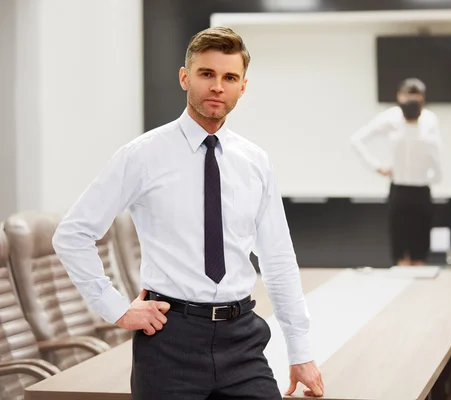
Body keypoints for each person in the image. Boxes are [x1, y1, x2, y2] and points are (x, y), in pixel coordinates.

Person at [52, 26, 324, 399]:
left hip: (242, 338)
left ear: (242, 87)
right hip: (169, 342)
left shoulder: (255, 162)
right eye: (206, 74)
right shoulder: (142, 155)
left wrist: (300, 351)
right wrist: (115, 308)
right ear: (185, 77)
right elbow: (73, 234)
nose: (217, 86)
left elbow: (277, 258)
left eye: (229, 77)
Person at [350, 78, 442, 266]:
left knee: (420, 250)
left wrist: (430, 176)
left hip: (421, 190)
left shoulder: (430, 120)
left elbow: (437, 159)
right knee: (400, 248)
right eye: (407, 100)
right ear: (399, 98)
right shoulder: (390, 118)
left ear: (422, 100)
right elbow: (357, 140)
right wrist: (376, 166)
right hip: (399, 189)